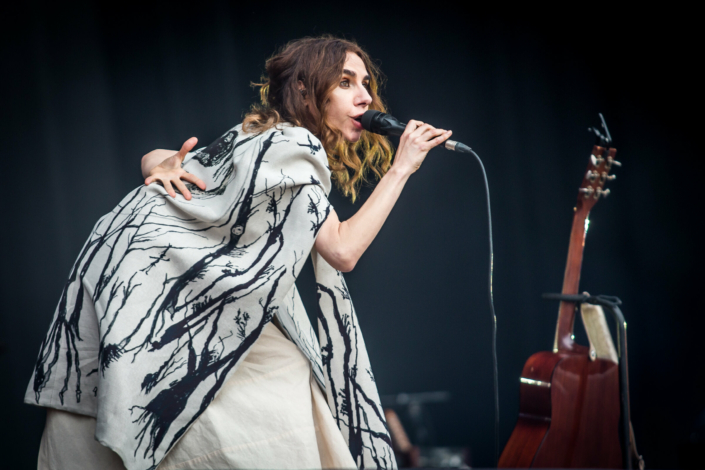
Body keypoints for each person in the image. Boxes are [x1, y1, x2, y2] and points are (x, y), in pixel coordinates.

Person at [26, 36, 452, 470]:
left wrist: (154, 163)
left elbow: (164, 159)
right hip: (149, 299)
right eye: (345, 82)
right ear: (305, 89)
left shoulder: (257, 137)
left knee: (284, 375)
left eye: (365, 83)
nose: (364, 97)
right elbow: (342, 249)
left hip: (118, 293)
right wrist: (402, 168)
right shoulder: (294, 146)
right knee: (286, 386)